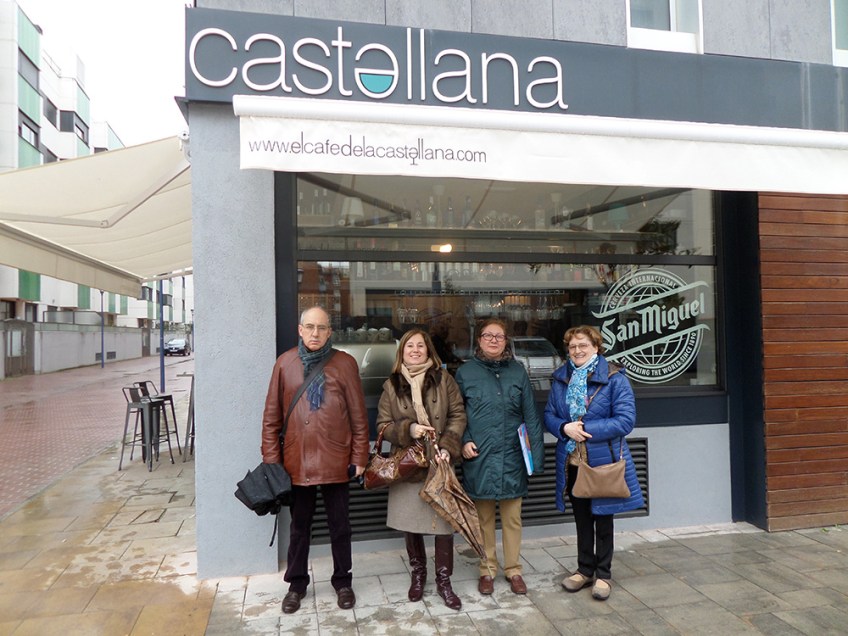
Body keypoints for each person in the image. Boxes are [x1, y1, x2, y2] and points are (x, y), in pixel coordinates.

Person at [260, 306, 370, 614]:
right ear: (300, 330)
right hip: (296, 461)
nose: (315, 333)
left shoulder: (345, 363)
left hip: (337, 459)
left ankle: (343, 582)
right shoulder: (284, 363)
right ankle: (296, 585)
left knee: (340, 526)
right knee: (299, 528)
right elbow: (271, 418)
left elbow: (359, 416)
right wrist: (272, 461)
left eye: (321, 328)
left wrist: (360, 456)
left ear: (330, 332)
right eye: (309, 327)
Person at [544, 325, 643, 601]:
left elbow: (625, 421)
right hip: (573, 461)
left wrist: (584, 429)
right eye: (572, 346)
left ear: (596, 348)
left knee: (603, 518)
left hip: (602, 461)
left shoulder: (615, 379)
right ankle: (584, 569)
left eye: (583, 345)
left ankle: (604, 574)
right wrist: (564, 428)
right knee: (582, 519)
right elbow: (549, 414)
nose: (577, 351)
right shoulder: (561, 378)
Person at [376, 329, 467, 610]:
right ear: (402, 352)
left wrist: (448, 447)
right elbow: (382, 426)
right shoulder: (391, 385)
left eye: (420, 346)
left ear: (429, 351)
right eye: (410, 346)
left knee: (444, 525)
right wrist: (409, 429)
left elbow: (457, 414)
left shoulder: (444, 379)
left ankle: (444, 581)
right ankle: (418, 575)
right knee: (411, 524)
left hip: (439, 462)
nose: (415, 350)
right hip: (408, 466)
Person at [455, 318, 545, 596]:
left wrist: (535, 458)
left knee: (512, 518)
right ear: (479, 339)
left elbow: (531, 415)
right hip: (479, 456)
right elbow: (455, 414)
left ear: (506, 341)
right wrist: (464, 440)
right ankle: (487, 569)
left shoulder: (517, 372)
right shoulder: (465, 372)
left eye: (499, 336)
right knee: (482, 519)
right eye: (488, 335)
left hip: (512, 455)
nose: (493, 340)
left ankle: (514, 569)